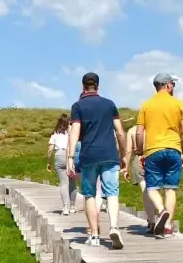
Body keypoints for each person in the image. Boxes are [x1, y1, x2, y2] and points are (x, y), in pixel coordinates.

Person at [66, 72, 128, 248]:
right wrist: (123, 154)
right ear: (98, 86)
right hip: (109, 154)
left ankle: (94, 235)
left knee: (89, 194)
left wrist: (70, 156)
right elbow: (120, 132)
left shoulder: (78, 106)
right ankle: (114, 227)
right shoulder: (109, 105)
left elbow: (75, 132)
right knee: (112, 193)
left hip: (88, 155)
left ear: (83, 86)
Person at [136, 72, 183, 237]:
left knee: (152, 188)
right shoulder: (179, 104)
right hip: (174, 150)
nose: (174, 86)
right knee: (170, 189)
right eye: (173, 84)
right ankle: (167, 226)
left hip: (153, 150)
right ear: (167, 85)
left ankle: (161, 210)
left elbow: (139, 132)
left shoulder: (146, 105)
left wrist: (139, 153)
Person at [124, 123, 156, 232]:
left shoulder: (132, 130)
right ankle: (161, 216)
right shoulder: (154, 128)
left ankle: (151, 221)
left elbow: (128, 151)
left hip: (138, 159)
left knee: (145, 190)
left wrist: (126, 168)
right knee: (155, 191)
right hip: (154, 158)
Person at [46, 114, 77, 215]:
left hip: (59, 155)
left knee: (64, 183)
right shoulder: (71, 132)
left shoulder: (55, 134)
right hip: (71, 156)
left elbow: (50, 150)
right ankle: (72, 206)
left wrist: (49, 162)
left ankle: (65, 207)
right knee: (72, 183)